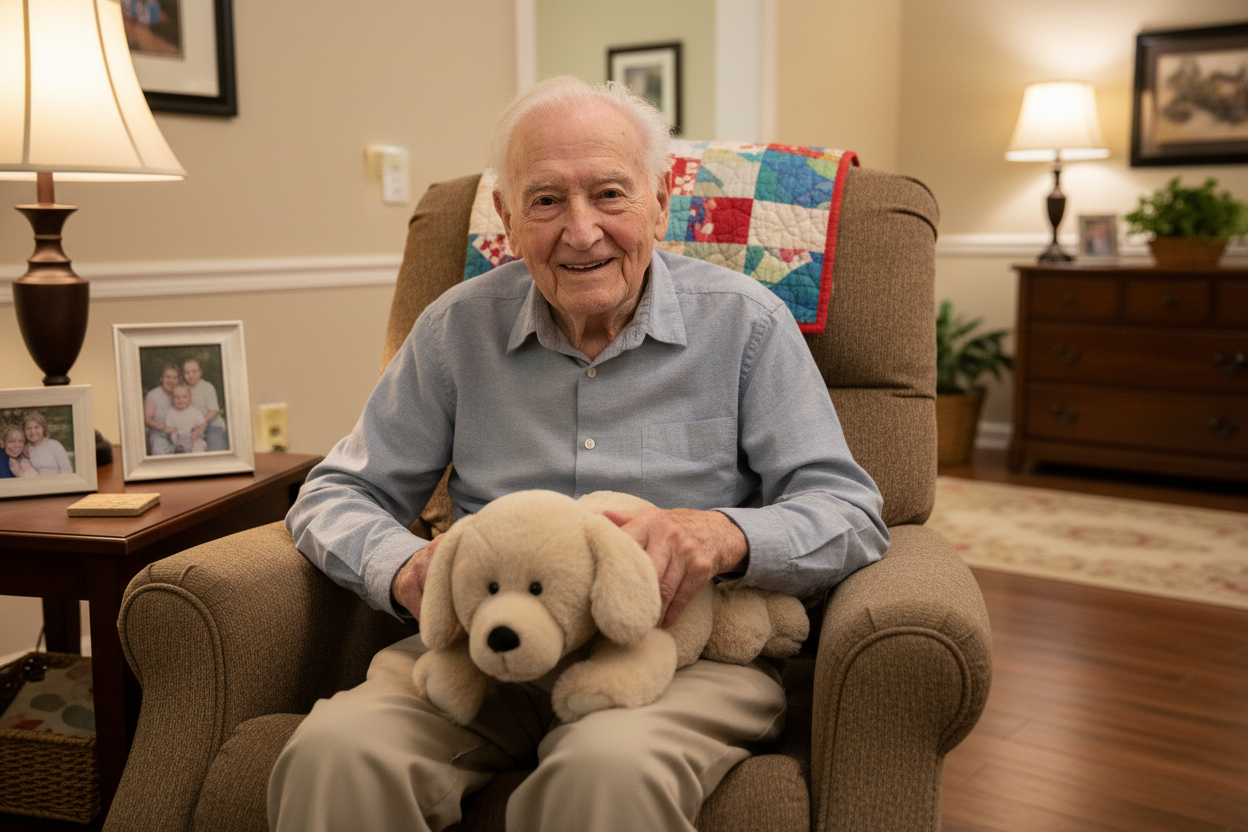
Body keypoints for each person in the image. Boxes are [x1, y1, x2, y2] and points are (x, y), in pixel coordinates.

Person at [270, 76, 889, 832]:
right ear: (506, 216)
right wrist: (404, 568)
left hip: (675, 659)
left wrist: (721, 535)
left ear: (661, 202)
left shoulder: (746, 326)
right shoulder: (455, 329)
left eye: (609, 194)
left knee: (607, 772)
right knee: (334, 751)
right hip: (485, 657)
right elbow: (335, 493)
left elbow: (849, 511)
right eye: (547, 200)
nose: (581, 230)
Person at [182, 358, 229, 451]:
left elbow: (214, 410)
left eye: (194, 372)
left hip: (212, 425)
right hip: (192, 427)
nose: (191, 375)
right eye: (187, 373)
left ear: (200, 372)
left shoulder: (207, 387)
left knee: (216, 447)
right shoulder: (183, 388)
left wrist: (201, 423)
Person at [144, 363, 182, 455]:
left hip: (180, 434)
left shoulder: (181, 394)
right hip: (160, 435)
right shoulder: (153, 395)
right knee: (161, 454)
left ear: (178, 380)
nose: (171, 381)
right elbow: (147, 419)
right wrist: (165, 428)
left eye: (174, 378)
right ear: (162, 378)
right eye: (168, 377)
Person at [23, 411, 72, 475]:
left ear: (43, 428)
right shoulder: (24, 450)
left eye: (37, 427)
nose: (33, 431)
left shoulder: (55, 445)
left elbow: (67, 471)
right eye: (28, 428)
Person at [164, 384, 208, 454]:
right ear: (172, 398)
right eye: (177, 397)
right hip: (178, 441)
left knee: (198, 449)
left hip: (193, 439)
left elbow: (203, 423)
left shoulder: (194, 411)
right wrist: (170, 429)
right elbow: (168, 427)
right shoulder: (170, 412)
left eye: (184, 397)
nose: (181, 400)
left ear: (189, 397)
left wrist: (198, 431)